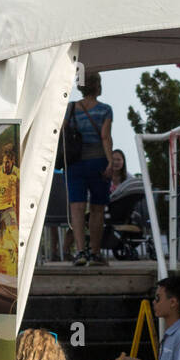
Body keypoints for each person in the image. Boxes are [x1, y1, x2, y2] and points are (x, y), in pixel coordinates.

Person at [65, 71, 114, 267]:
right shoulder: (105, 110)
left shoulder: (69, 109)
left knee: (77, 209)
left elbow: (63, 133)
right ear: (97, 85)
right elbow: (105, 137)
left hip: (74, 163)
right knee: (97, 209)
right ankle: (95, 253)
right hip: (98, 161)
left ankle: (80, 252)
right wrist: (110, 161)